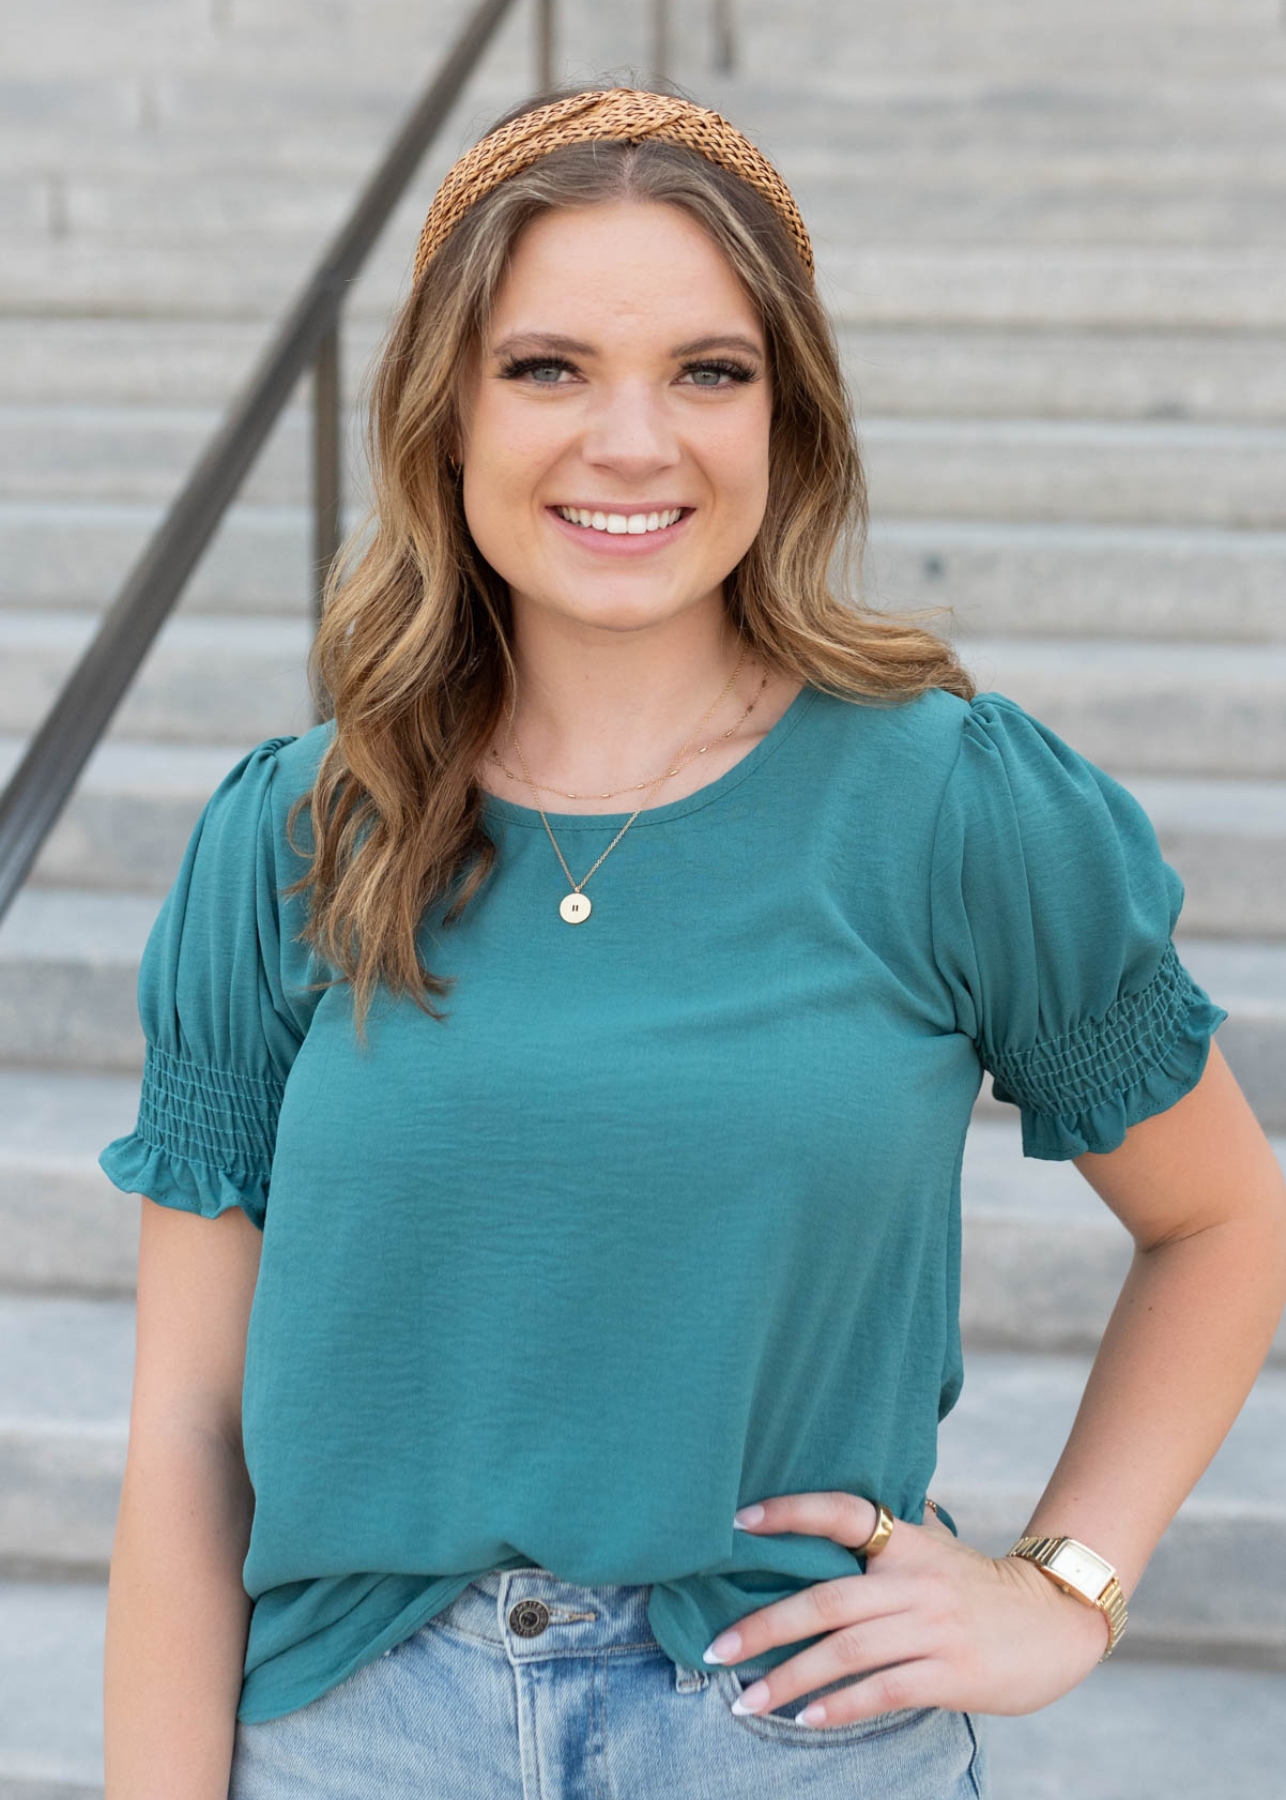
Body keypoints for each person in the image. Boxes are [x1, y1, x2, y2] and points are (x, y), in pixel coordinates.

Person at [97, 80, 1286, 1800]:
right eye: (547, 366)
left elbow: (1222, 1214)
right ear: (445, 414)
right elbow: (188, 1443)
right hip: (358, 1739)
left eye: (708, 372)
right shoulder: (295, 838)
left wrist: (1067, 1588)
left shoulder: (955, 803)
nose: (631, 442)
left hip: (785, 1738)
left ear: (788, 420)